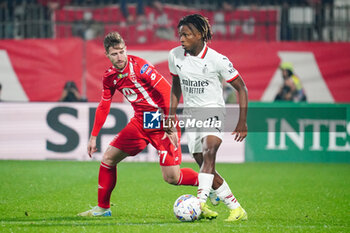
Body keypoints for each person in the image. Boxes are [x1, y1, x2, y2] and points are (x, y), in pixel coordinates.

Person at [78, 31, 199, 217]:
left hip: (161, 120)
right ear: (107, 55)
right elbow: (104, 105)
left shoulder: (140, 67)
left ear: (125, 49)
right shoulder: (110, 76)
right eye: (114, 54)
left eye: (121, 52)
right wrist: (93, 136)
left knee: (172, 178)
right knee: (108, 158)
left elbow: (167, 92)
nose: (119, 57)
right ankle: (103, 208)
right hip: (140, 122)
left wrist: (169, 124)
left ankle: (209, 183)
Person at [167, 14, 248, 221]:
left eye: (186, 35)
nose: (181, 39)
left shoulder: (217, 60)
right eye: (180, 35)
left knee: (209, 151)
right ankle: (236, 208)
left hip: (213, 111)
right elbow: (176, 85)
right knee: (203, 163)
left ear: (200, 35)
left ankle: (199, 204)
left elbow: (241, 87)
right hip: (192, 114)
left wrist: (241, 120)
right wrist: (171, 113)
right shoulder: (175, 56)